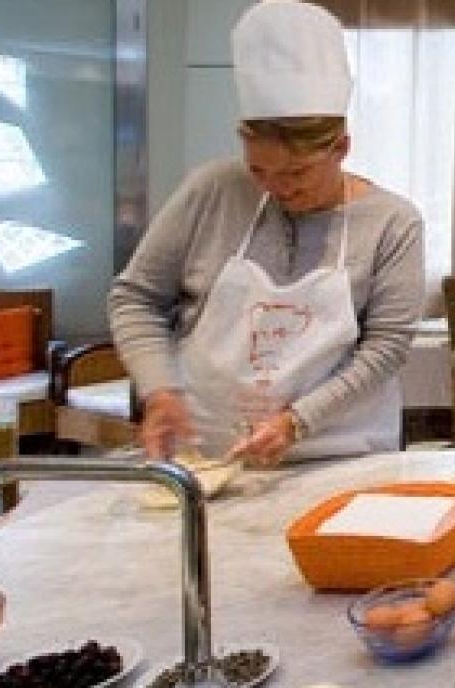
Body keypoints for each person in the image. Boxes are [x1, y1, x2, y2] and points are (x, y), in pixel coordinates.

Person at [109, 0, 423, 465]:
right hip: (211, 455)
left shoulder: (393, 223)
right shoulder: (210, 191)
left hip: (341, 454)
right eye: (260, 171)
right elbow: (135, 298)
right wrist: (159, 390)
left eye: (297, 172)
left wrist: (298, 421)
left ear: (341, 148)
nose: (279, 188)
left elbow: (384, 349)